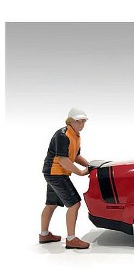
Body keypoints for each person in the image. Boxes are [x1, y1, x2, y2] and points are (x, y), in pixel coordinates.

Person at [40, 107, 91, 249]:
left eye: (83, 121)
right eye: (78, 121)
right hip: (56, 173)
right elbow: (63, 160)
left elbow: (75, 156)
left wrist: (89, 165)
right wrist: (80, 172)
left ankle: (44, 234)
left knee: (51, 204)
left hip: (53, 173)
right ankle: (71, 239)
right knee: (74, 204)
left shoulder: (76, 135)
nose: (81, 124)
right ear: (70, 121)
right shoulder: (63, 135)